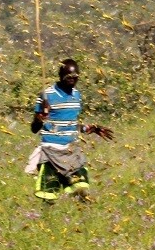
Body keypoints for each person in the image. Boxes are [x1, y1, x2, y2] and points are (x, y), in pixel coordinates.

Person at [26, 58, 114, 202]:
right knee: (49, 195)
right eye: (69, 77)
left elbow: (71, 124)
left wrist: (90, 128)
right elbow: (34, 129)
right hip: (51, 151)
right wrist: (40, 119)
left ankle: (83, 215)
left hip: (71, 150)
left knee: (81, 188)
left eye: (75, 76)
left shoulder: (76, 95)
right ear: (60, 76)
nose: (72, 79)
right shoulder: (46, 95)